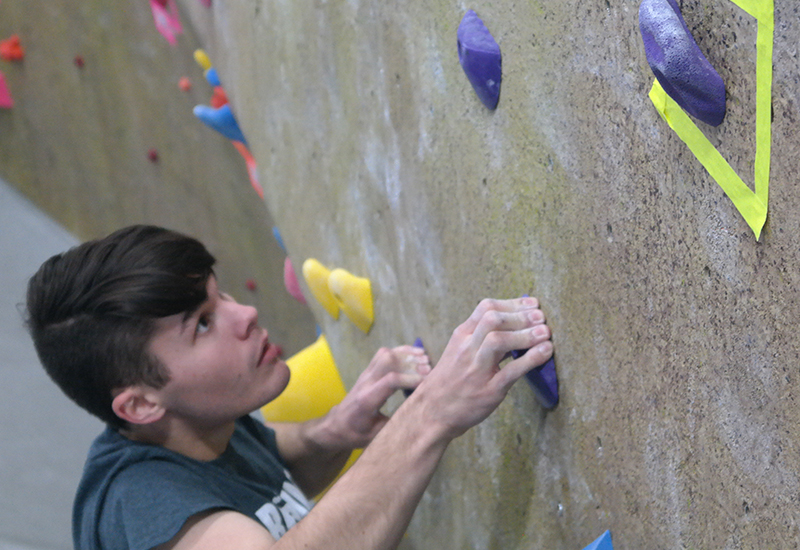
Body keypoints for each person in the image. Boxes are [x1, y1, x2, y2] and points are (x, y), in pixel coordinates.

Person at [26, 224, 554, 550]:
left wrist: (333, 433)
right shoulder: (138, 505)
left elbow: (267, 474)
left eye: (220, 294)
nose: (246, 314)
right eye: (203, 323)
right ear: (139, 403)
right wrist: (432, 413)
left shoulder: (192, 429)